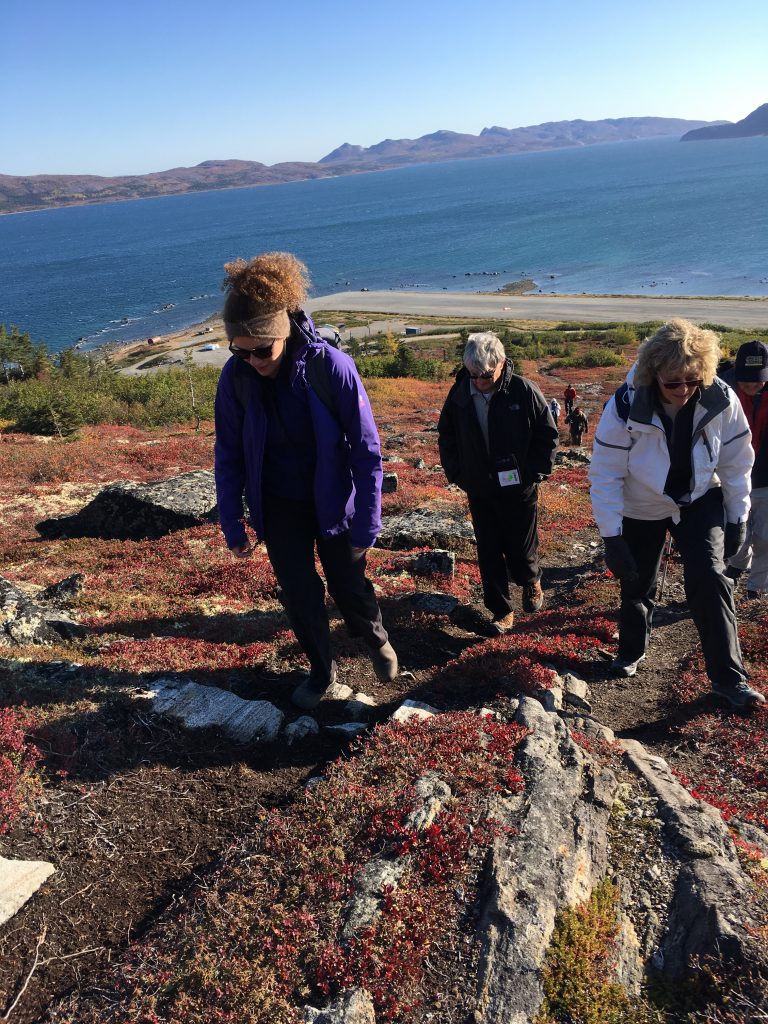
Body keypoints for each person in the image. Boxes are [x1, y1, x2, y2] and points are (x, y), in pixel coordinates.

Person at [214, 252, 398, 710]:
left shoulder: (330, 366)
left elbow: (366, 449)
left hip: (334, 501)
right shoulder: (235, 378)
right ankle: (322, 670)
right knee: (299, 593)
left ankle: (376, 640)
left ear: (282, 333)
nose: (252, 359)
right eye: (240, 350)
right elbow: (228, 454)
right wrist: (232, 523)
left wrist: (368, 524)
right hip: (278, 508)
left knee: (348, 582)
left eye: (261, 349)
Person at [589, 319, 763, 710]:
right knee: (637, 580)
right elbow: (605, 473)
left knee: (711, 578)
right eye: (673, 383)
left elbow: (737, 464)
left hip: (700, 497)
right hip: (641, 503)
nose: (684, 390)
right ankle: (631, 652)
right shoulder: (623, 406)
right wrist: (611, 536)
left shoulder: (722, 398)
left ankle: (728, 680)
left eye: (692, 380)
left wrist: (738, 517)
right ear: (653, 376)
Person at [438, 332, 558, 633]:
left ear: (502, 363)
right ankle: (501, 610)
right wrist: (458, 474)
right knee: (488, 549)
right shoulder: (459, 394)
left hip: (520, 486)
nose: (479, 381)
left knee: (520, 544)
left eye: (486, 375)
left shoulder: (524, 391)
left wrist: (534, 473)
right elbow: (447, 437)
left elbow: (547, 435)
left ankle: (531, 580)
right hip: (479, 486)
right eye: (473, 375)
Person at [720, 340, 768, 599]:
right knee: (737, 528)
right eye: (747, 380)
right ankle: (737, 566)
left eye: (759, 380)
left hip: (765, 476)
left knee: (765, 537)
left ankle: (757, 587)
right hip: (731, 474)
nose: (753, 386)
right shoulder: (719, 389)